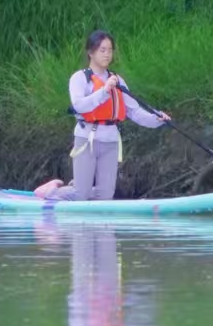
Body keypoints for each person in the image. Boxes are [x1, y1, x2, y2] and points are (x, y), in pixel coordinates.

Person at [34, 30, 169, 202]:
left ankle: (76, 187)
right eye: (102, 50)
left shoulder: (117, 79)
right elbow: (79, 106)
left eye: (110, 50)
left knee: (105, 196)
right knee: (80, 196)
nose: (107, 54)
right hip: (86, 139)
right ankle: (51, 191)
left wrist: (156, 120)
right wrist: (104, 91)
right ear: (91, 52)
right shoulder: (80, 78)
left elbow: (134, 111)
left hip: (111, 140)